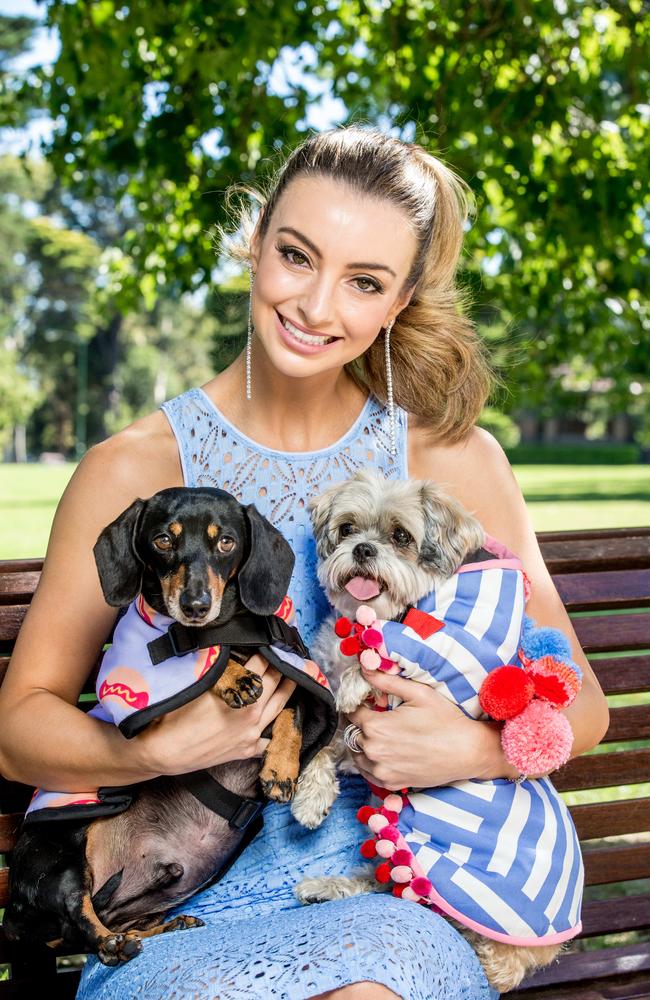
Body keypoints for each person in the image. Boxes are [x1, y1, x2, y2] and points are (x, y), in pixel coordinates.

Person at [0, 125, 609, 1000]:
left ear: (399, 302)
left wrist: (474, 746)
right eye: (296, 255)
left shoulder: (452, 460)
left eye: (364, 282)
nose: (319, 306)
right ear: (254, 243)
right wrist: (153, 753)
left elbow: (581, 706)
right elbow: (20, 726)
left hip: (397, 892)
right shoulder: (136, 469)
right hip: (181, 914)